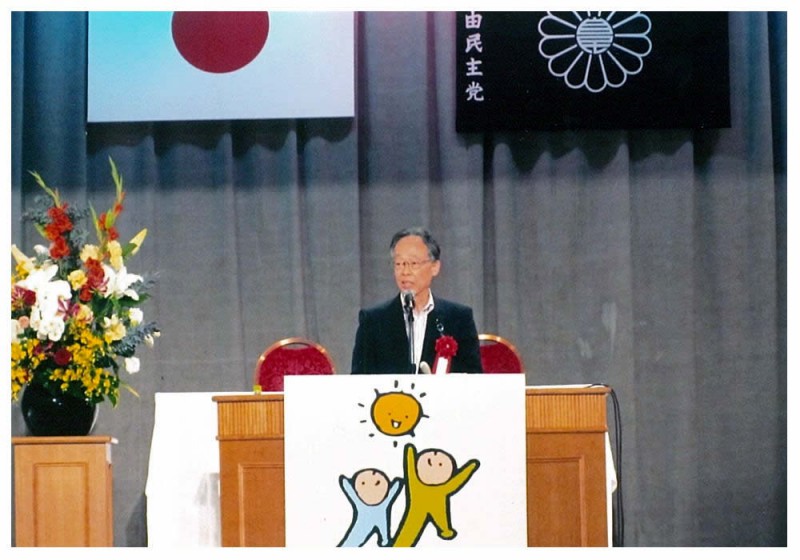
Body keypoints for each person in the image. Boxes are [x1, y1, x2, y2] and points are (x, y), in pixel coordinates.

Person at [351, 227, 483, 374]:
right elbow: (359, 381)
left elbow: (473, 379)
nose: (405, 272)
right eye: (399, 264)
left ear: (434, 267)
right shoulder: (373, 321)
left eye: (413, 264)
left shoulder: (458, 318)